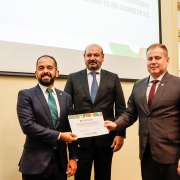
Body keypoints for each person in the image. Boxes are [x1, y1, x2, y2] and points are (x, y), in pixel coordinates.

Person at [104, 43, 180, 180]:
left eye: (158, 58)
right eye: (150, 59)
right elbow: (130, 113)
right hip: (147, 154)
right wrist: (116, 124)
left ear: (167, 60)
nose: (153, 62)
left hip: (172, 155)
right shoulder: (138, 85)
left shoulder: (178, 84)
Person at [64, 44, 126, 180]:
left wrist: (120, 134)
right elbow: (66, 108)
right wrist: (70, 137)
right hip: (80, 141)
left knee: (104, 177)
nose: (92, 58)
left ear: (102, 57)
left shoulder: (113, 78)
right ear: (84, 57)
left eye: (96, 55)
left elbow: (121, 108)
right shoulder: (73, 78)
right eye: (89, 55)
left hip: (106, 140)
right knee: (81, 177)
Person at [17, 55, 78, 180]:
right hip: (35, 163)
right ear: (36, 73)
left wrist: (73, 157)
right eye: (41, 68)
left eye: (49, 68)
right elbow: (28, 126)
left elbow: (71, 128)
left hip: (60, 164)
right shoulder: (26, 95)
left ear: (56, 72)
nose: (45, 71)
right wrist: (60, 135)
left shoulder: (66, 97)